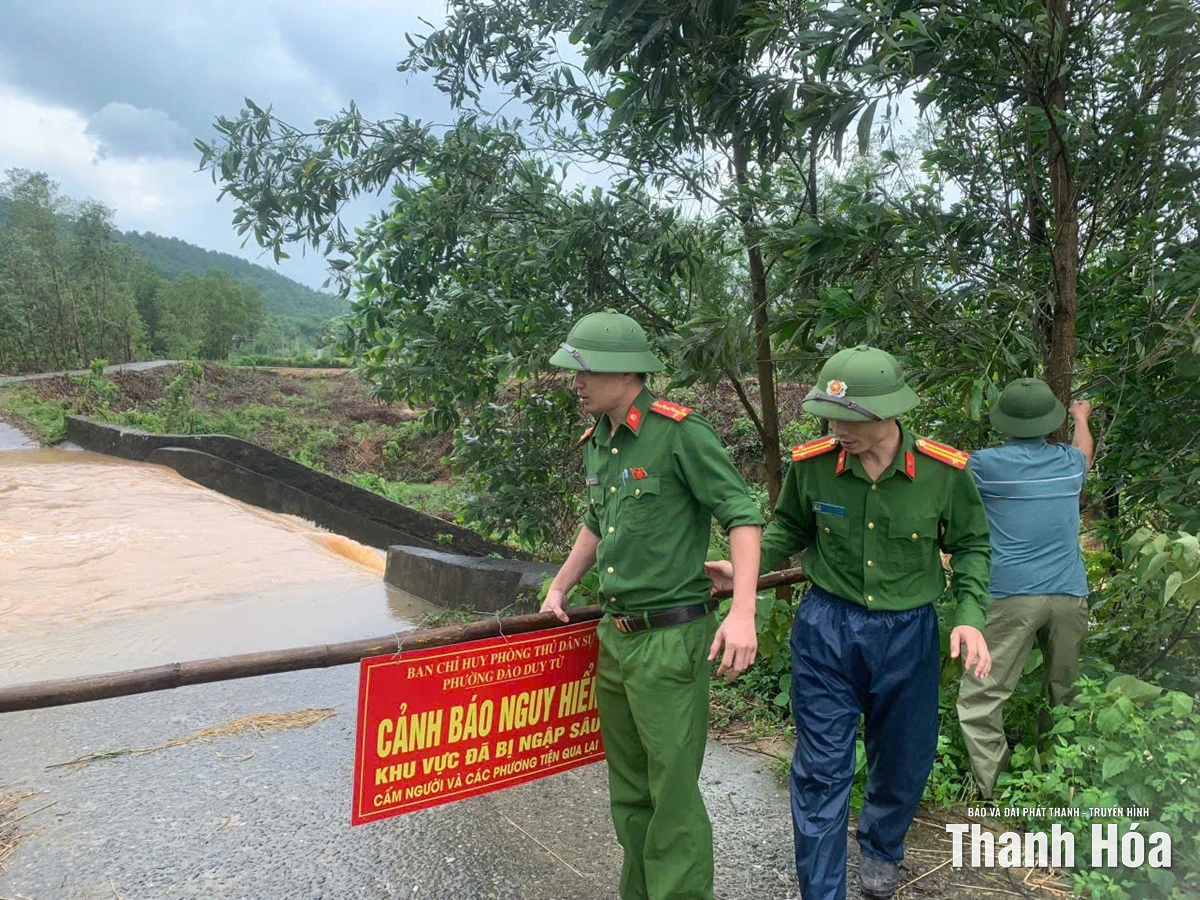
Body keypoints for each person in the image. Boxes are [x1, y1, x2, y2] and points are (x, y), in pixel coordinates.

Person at [707, 345, 992, 900]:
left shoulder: (942, 472)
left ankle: (882, 848)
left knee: (904, 759)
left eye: (851, 418)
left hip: (908, 633)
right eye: (831, 416)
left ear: (890, 412)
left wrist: (971, 616)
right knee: (820, 766)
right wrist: (747, 565)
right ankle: (822, 889)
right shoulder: (812, 464)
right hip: (826, 630)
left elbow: (973, 545)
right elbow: (788, 529)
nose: (838, 428)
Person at [540, 311, 764, 900]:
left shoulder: (680, 434)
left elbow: (741, 514)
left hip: (670, 639)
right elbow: (595, 524)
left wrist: (743, 612)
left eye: (584, 372)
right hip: (616, 638)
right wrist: (560, 586)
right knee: (631, 792)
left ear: (625, 371)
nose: (576, 383)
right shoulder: (600, 442)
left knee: (672, 796)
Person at [957, 378, 1093, 799]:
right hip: (1069, 594)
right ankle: (1060, 781)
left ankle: (995, 790)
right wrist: (1081, 417)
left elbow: (947, 476)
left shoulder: (983, 465)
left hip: (1009, 595)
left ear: (1003, 422)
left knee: (983, 694)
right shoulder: (1070, 462)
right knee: (1065, 689)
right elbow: (1086, 449)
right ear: (1052, 420)